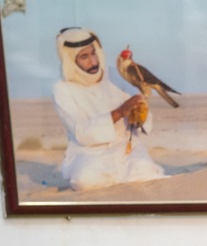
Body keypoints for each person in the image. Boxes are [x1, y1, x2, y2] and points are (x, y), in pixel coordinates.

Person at [50, 27, 163, 190]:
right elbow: (81, 132)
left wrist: (140, 112)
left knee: (147, 172)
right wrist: (119, 113)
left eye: (93, 53)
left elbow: (139, 110)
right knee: (85, 180)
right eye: (84, 57)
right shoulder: (62, 88)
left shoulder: (115, 74)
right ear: (70, 59)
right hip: (90, 154)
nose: (93, 62)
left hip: (127, 149)